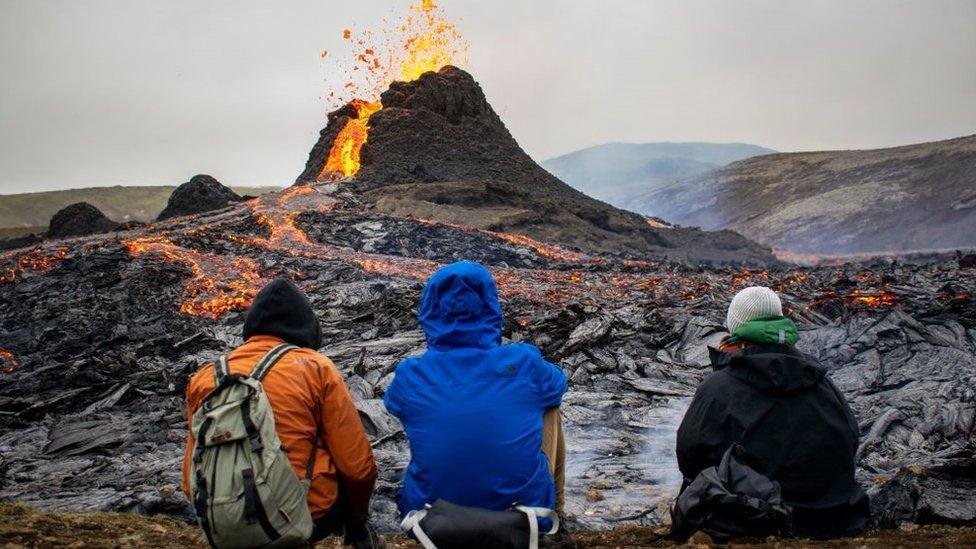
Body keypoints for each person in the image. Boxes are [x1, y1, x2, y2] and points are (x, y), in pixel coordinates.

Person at [182, 278, 382, 548]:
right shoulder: (315, 367)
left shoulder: (205, 377)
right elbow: (357, 468)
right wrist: (357, 517)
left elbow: (189, 478)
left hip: (223, 518)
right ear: (307, 327)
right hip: (303, 516)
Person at [384, 262, 569, 536]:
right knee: (549, 407)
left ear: (430, 310)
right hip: (522, 517)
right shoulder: (524, 362)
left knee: (430, 420)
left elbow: (394, 404)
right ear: (491, 306)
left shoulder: (410, 375)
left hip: (430, 519)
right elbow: (559, 384)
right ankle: (557, 517)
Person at [676, 286, 870, 539]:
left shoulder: (719, 387)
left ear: (734, 326)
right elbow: (850, 439)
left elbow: (690, 456)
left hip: (758, 519)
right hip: (835, 517)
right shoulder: (821, 381)